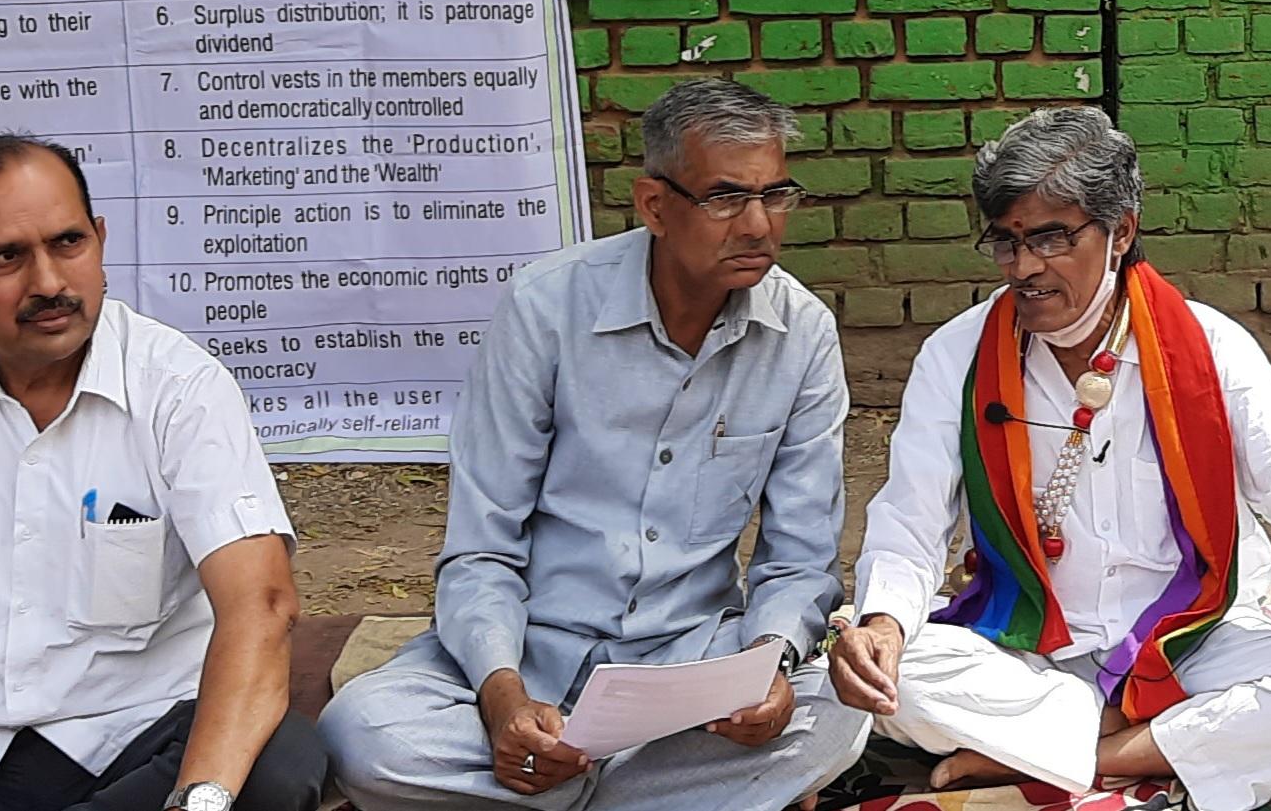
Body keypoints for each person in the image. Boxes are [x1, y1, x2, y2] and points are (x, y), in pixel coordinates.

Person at [832, 106, 1271, 811]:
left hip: (1196, 642)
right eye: (1005, 243)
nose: (1025, 266)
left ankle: (1080, 753)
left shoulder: (1211, 350)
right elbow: (909, 520)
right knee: (889, 678)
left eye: (1049, 236)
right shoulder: (958, 354)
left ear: (1120, 229)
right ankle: (1137, 737)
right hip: (1031, 644)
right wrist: (881, 622)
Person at [322, 79, 867, 809]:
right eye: (726, 197)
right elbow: (482, 544)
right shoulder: (544, 306)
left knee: (840, 712)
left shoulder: (801, 333)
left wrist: (765, 667)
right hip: (531, 649)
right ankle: (636, 789)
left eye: (776, 196)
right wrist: (501, 700)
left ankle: (562, 793)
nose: (758, 224)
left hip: (691, 663)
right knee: (363, 731)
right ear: (653, 205)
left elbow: (800, 558)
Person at [0, 135, 326, 811]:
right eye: (6, 256)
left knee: (274, 767)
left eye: (68, 242)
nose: (48, 282)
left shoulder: (178, 388)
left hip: (136, 743)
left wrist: (197, 802)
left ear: (100, 240)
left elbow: (261, 604)